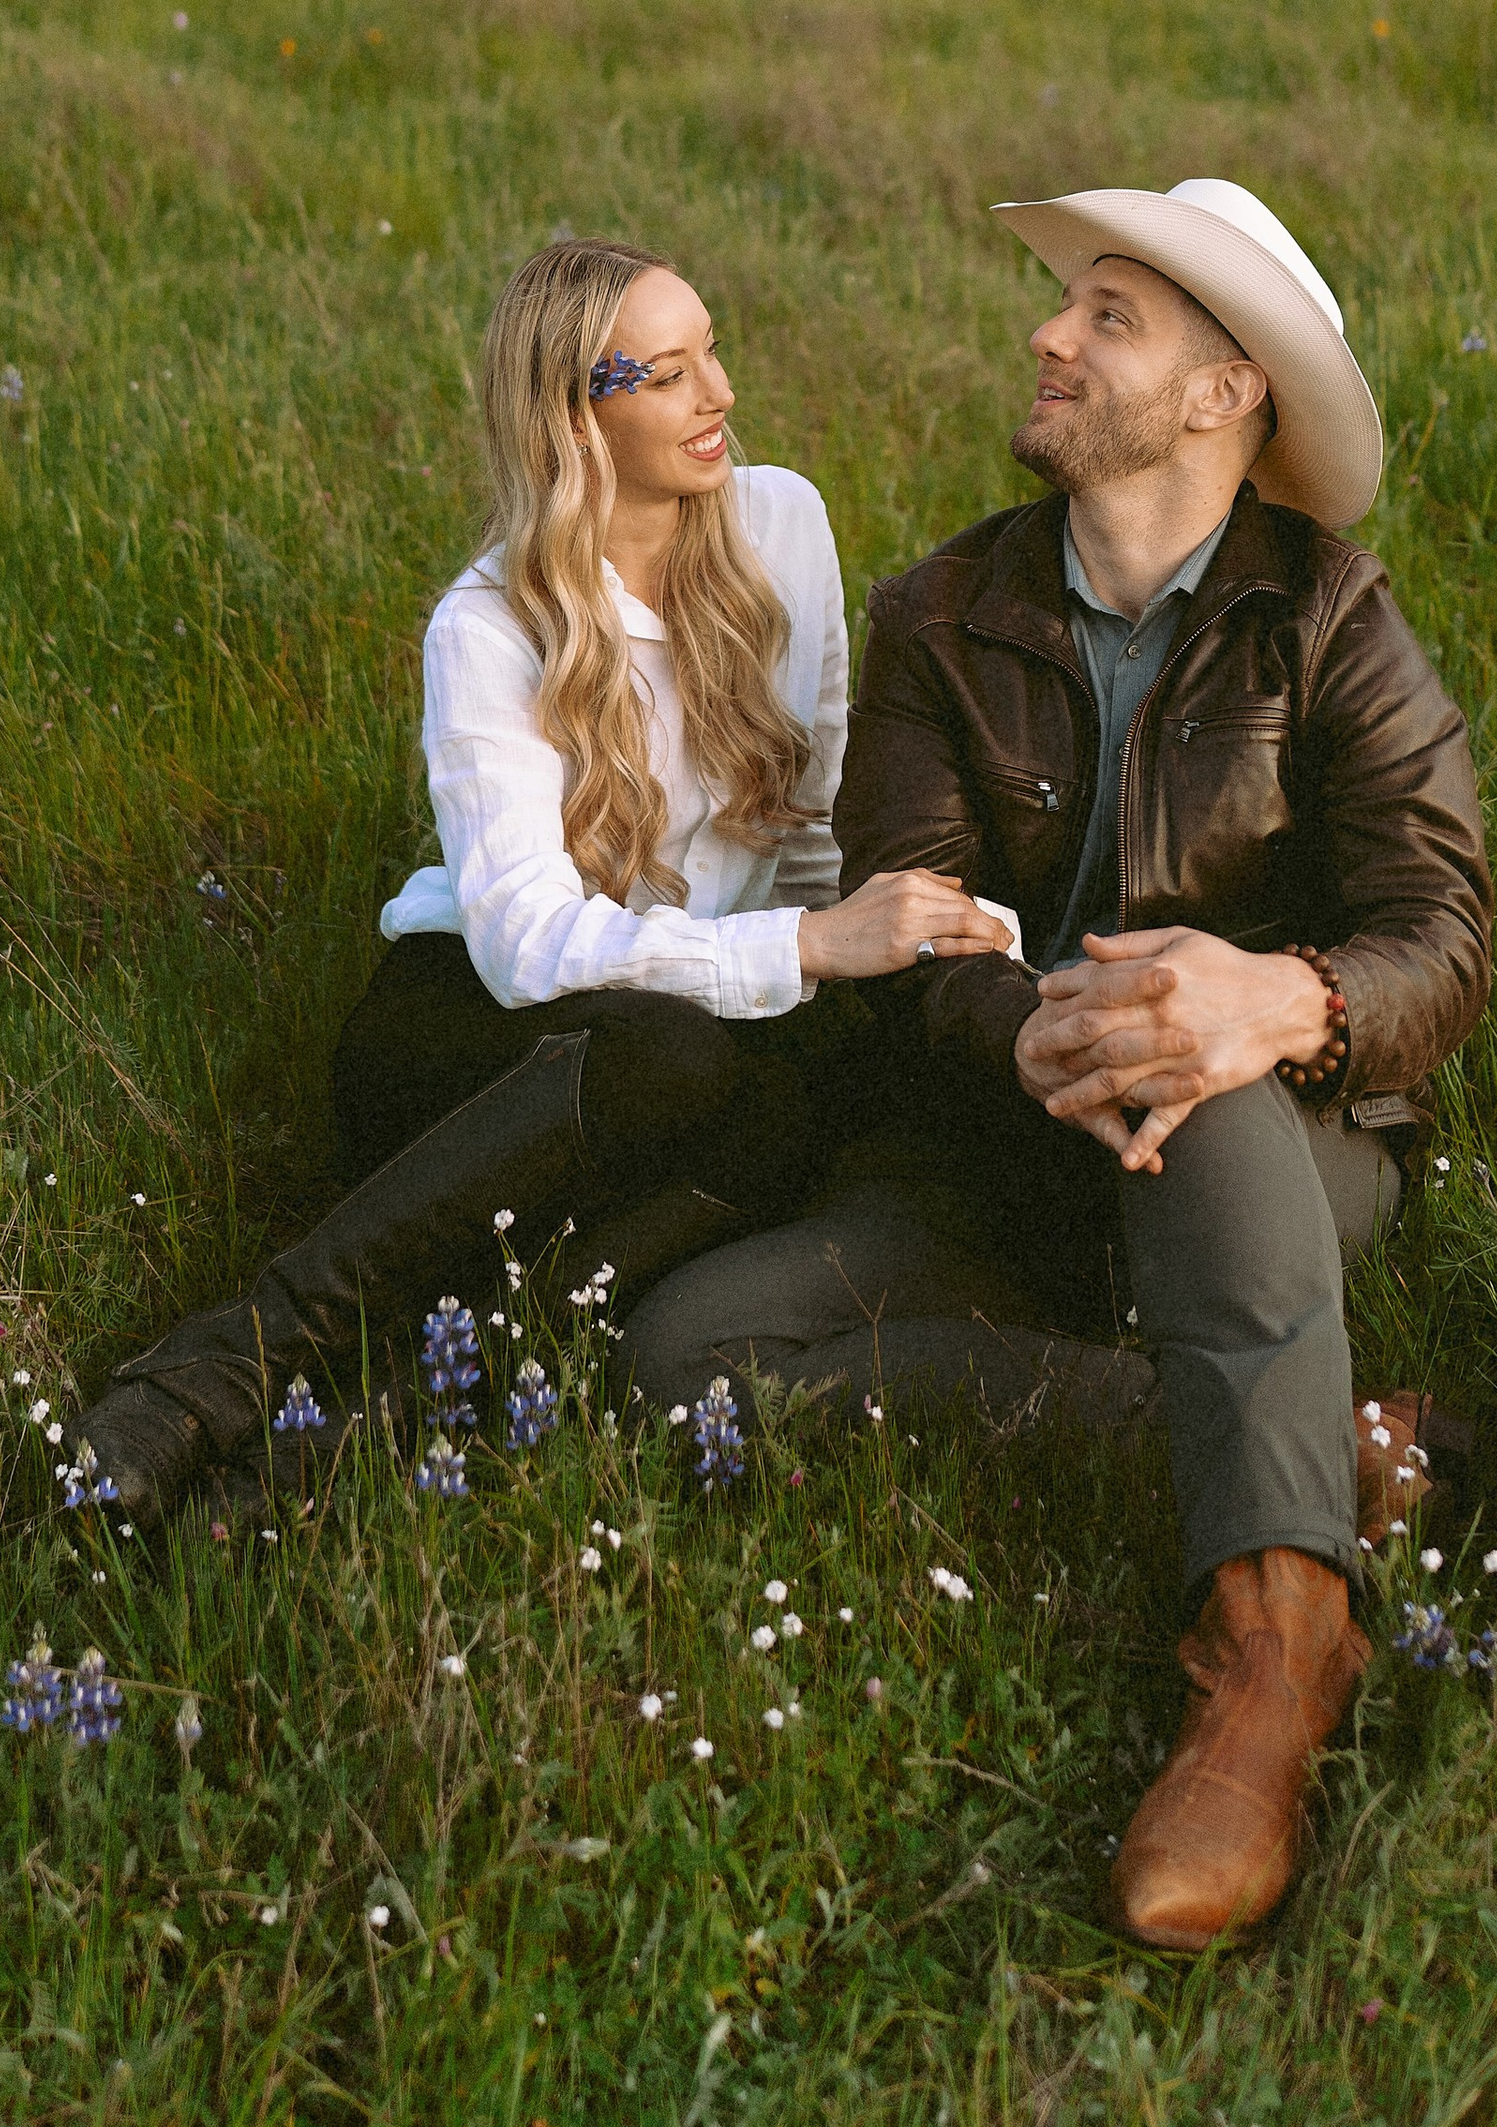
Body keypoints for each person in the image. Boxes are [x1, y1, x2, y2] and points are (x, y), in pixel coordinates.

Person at [621, 178, 1492, 1953]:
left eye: (1111, 315)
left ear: (1221, 390)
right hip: (1004, 1144)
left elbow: (1440, 937)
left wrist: (1279, 1002)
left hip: (1269, 1151)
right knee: (688, 1363)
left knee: (1202, 1051)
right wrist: (1045, 1034)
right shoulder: (942, 612)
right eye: (1068, 306)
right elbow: (904, 918)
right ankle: (1320, 1443)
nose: (1050, 335)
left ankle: (1272, 1655)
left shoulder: (1327, 619)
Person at [70, 235, 1004, 1527]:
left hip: (694, 1033)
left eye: (714, 349)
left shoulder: (783, 522)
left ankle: (356, 1438)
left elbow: (811, 822)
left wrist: (910, 935)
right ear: (579, 414)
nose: (721, 392)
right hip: (469, 1041)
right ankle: (224, 1364)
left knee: (787, 1112)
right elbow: (524, 947)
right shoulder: (488, 626)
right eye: (671, 374)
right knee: (679, 1062)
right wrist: (802, 954)